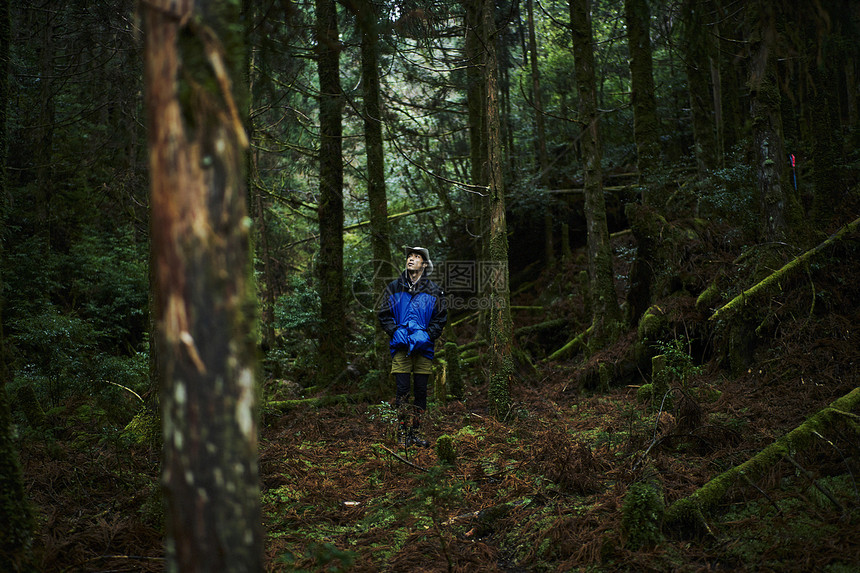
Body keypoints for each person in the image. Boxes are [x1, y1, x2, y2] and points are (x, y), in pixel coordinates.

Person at [378, 246, 448, 447]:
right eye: (409, 256)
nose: (411, 259)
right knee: (402, 391)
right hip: (400, 348)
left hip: (423, 349)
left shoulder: (435, 291)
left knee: (421, 391)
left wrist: (427, 335)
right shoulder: (393, 287)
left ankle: (415, 433)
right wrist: (394, 330)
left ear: (424, 265)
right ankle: (401, 433)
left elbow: (440, 318)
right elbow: (384, 314)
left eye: (417, 257)